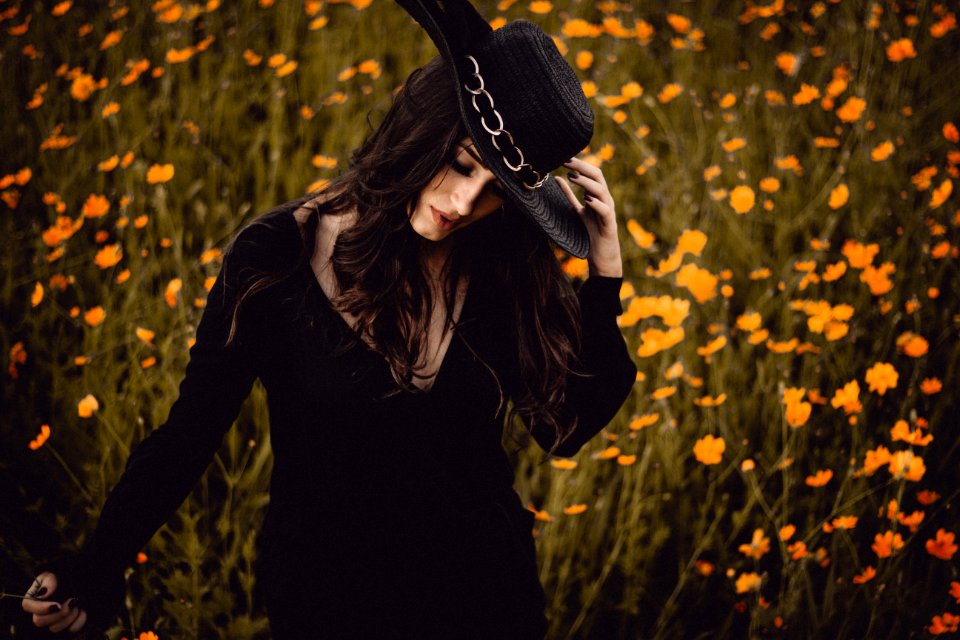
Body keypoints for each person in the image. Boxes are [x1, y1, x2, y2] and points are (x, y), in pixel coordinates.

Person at [20, 1, 637, 638]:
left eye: (496, 192)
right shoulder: (275, 259)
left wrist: (605, 275)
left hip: (484, 602)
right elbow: (188, 435)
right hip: (327, 601)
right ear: (419, 131)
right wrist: (96, 565)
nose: (462, 203)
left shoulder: (502, 267)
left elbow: (566, 428)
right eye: (459, 165)